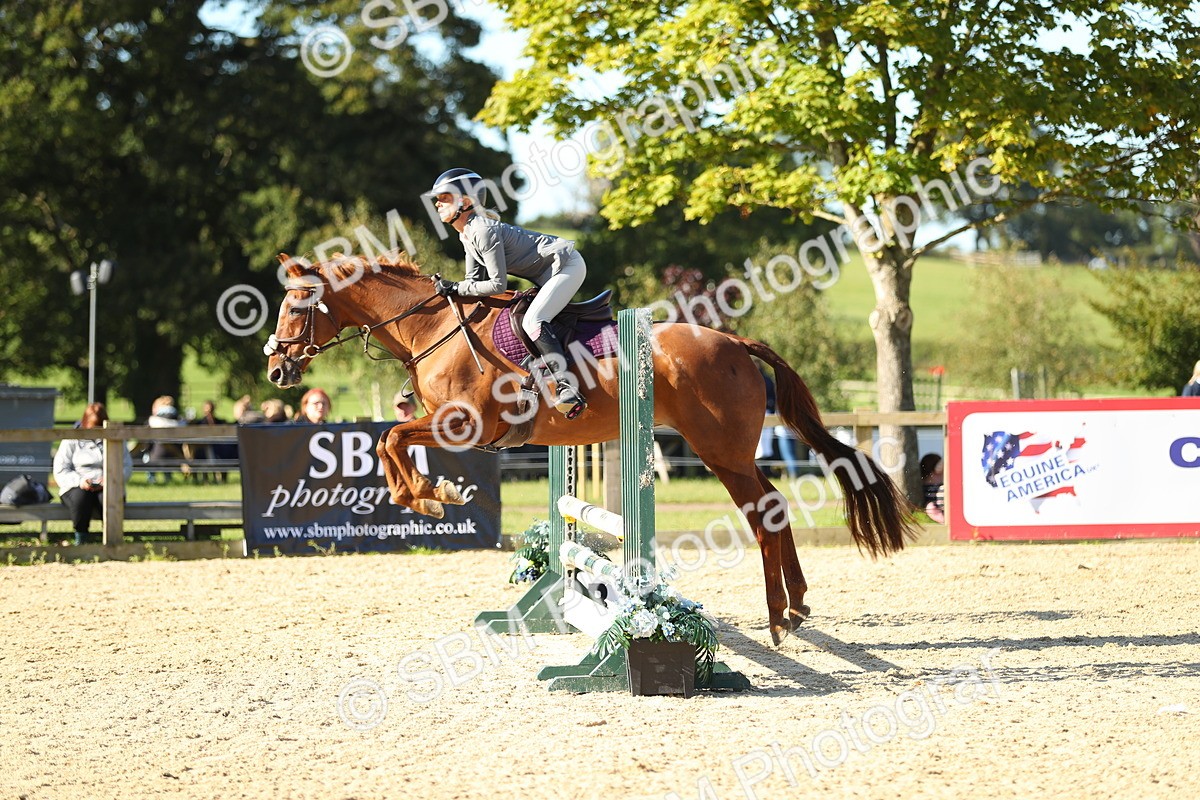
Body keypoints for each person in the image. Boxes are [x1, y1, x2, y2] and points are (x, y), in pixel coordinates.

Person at [426, 168, 587, 418]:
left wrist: (455, 287)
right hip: (546, 274)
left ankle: (567, 386)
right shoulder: (467, 234)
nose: (438, 203)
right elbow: (474, 282)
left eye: (445, 197)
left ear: (466, 202)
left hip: (566, 266)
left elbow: (497, 285)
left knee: (534, 320)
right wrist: (451, 291)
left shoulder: (482, 230)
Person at [53, 403, 133, 545]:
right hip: (76, 484)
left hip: (108, 483)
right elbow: (61, 469)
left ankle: (112, 540)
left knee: (110, 498)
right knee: (81, 498)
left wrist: (110, 480)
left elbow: (126, 466)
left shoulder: (117, 439)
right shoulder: (71, 439)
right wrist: (80, 481)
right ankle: (81, 539)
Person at [145, 395, 187, 484]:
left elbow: (146, 442)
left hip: (157, 455)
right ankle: (168, 478)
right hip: (175, 455)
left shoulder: (153, 421)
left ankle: (151, 479)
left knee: (147, 455)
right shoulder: (179, 419)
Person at [920, 453, 946, 524]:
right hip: (935, 507)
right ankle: (944, 521)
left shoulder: (940, 477)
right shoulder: (927, 479)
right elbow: (940, 466)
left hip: (943, 505)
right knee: (930, 507)